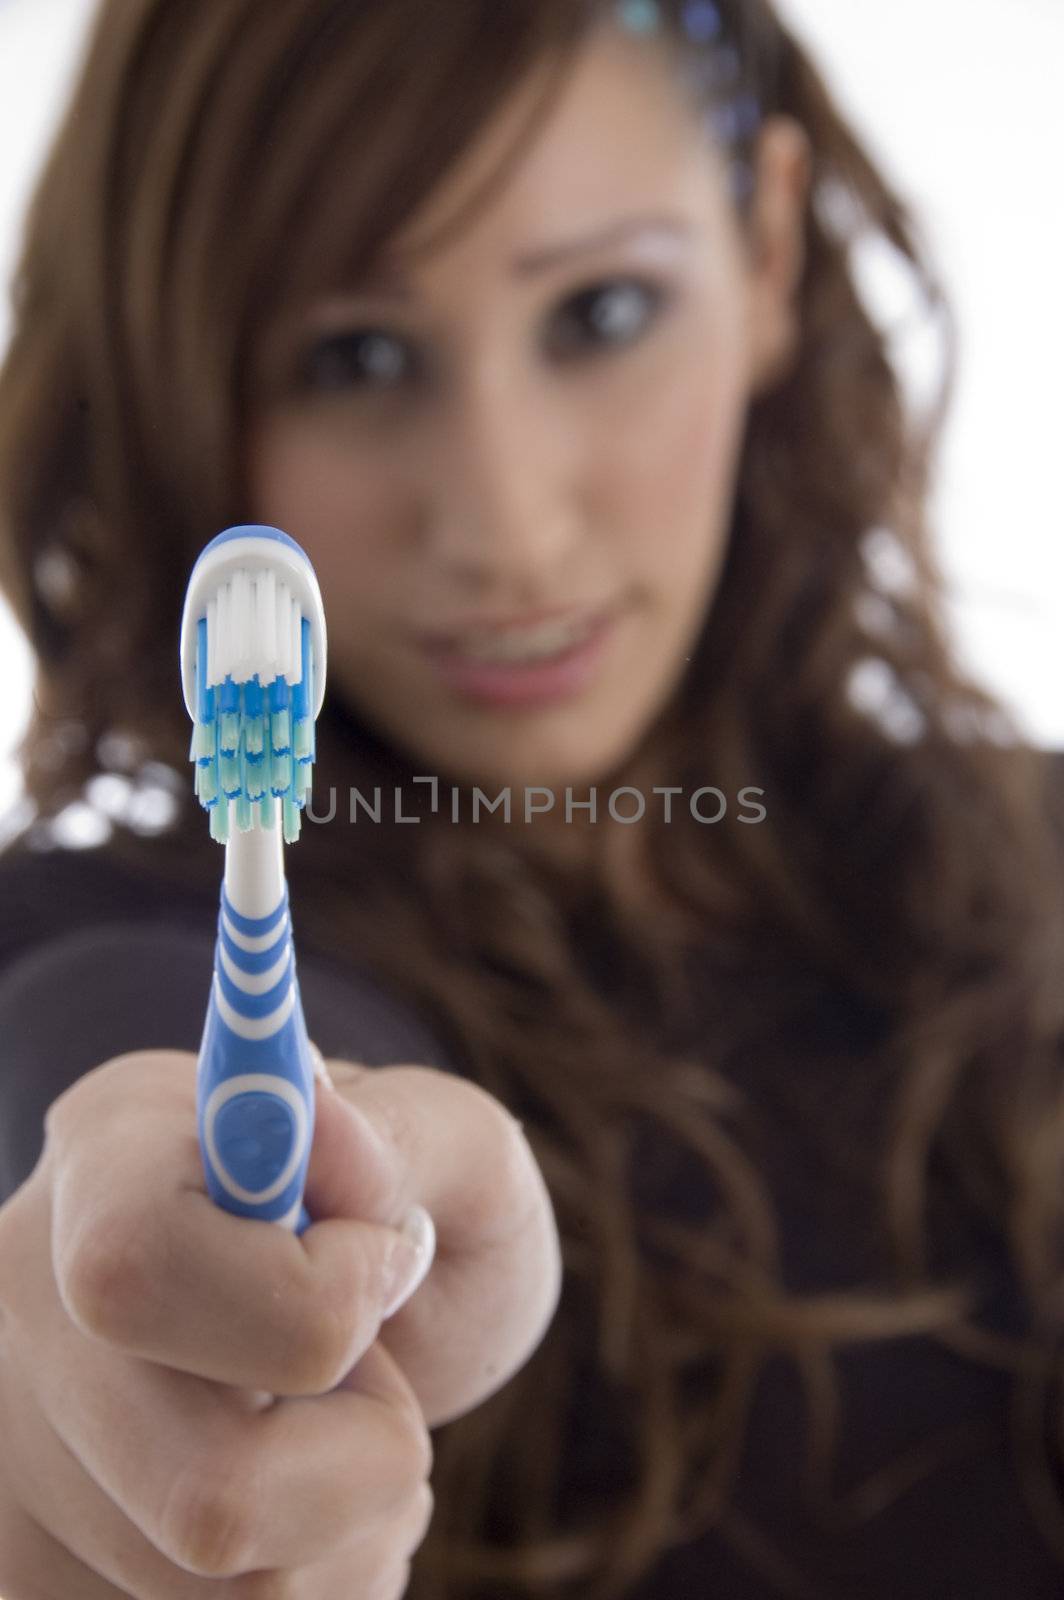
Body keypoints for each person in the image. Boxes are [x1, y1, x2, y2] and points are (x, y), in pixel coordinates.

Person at [0, 0, 1061, 1595]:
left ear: (766, 250)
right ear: (190, 390)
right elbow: (106, 1092)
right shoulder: (97, 946)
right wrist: (143, 1351)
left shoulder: (1036, 862)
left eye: (602, 311)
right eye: (353, 357)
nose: (504, 524)